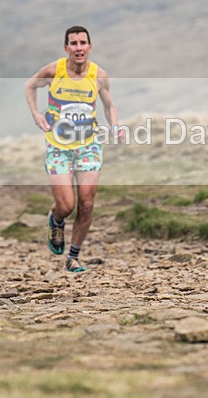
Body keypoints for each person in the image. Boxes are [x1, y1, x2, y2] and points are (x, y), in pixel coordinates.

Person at [25, 26, 124, 273]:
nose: (78, 48)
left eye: (82, 43)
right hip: (58, 147)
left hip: (88, 145)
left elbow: (109, 105)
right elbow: (30, 86)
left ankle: (73, 257)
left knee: (87, 203)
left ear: (89, 47)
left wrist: (114, 126)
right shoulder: (54, 70)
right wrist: (36, 114)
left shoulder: (99, 75)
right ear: (66, 47)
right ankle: (56, 218)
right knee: (67, 206)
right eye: (74, 43)